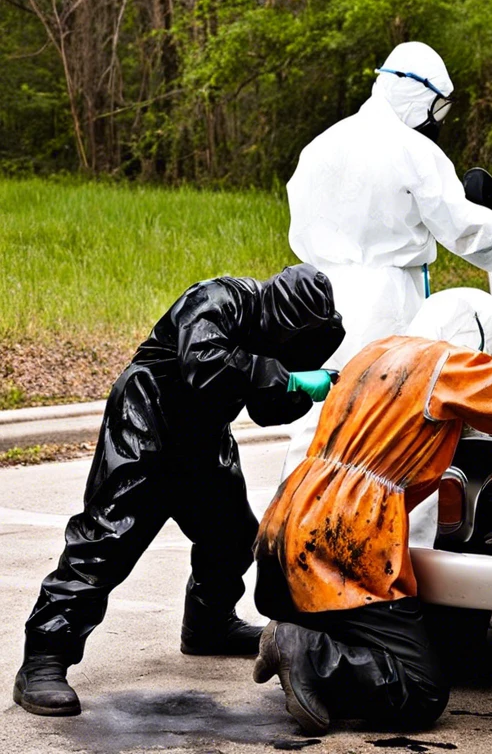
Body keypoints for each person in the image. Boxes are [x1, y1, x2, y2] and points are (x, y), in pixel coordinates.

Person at [251, 289, 492, 734]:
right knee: (420, 689)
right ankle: (308, 651)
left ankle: (309, 651)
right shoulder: (445, 363)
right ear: (473, 337)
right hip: (344, 539)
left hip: (286, 525)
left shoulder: (373, 353)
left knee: (373, 631)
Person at [14, 265, 346, 718]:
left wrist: (304, 387)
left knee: (232, 535)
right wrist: (284, 376)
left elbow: (266, 410)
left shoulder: (277, 338)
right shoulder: (218, 300)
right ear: (274, 309)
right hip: (146, 419)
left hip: (204, 434)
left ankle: (208, 627)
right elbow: (206, 369)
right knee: (108, 538)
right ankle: (43, 659)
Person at [281, 42, 492, 549]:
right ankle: (401, 561)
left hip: (312, 295)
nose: (437, 119)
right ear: (417, 94)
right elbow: (465, 228)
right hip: (383, 297)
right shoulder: (413, 150)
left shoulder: (321, 144)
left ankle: (291, 554)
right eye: (438, 107)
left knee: (316, 428)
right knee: (402, 424)